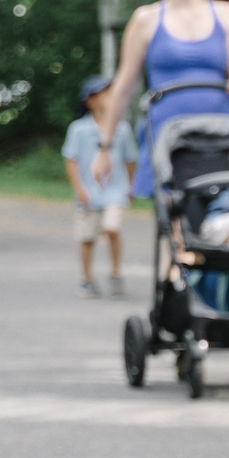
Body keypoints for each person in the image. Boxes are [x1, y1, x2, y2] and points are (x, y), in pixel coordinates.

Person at [91, 0, 229, 199]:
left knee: (222, 214)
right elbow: (123, 85)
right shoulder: (145, 19)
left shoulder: (227, 14)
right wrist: (105, 148)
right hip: (166, 136)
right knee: (176, 223)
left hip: (217, 133)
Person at [60, 75, 134, 296]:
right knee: (87, 237)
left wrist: (129, 186)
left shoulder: (122, 128)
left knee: (112, 227)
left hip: (115, 190)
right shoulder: (79, 129)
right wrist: (79, 188)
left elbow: (129, 159)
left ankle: (115, 273)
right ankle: (87, 278)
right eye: (105, 94)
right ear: (89, 101)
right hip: (90, 192)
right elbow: (70, 159)